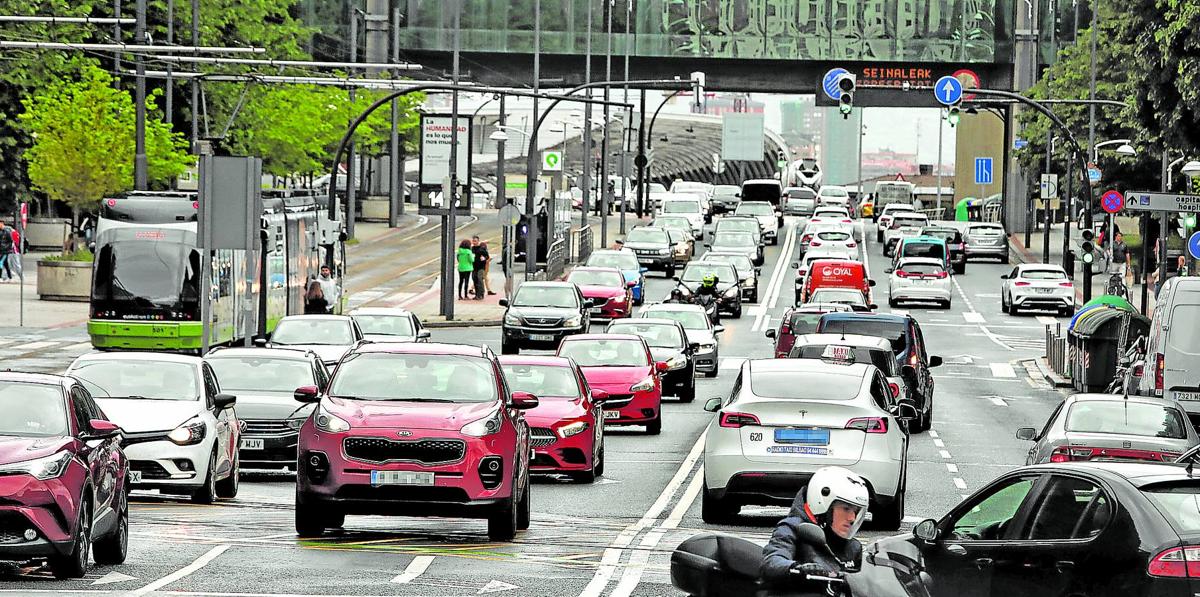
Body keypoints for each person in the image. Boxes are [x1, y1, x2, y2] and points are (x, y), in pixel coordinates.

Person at [760, 467, 868, 596]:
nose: (852, 518)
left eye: (856, 511)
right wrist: (797, 568)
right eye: (846, 509)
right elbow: (772, 561)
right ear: (822, 505)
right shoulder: (793, 529)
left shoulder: (853, 547)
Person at [471, 235, 489, 300]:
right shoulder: (472, 249)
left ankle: (481, 294)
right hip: (473, 267)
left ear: (478, 241)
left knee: (480, 279)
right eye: (473, 241)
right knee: (474, 279)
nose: (474, 242)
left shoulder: (481, 249)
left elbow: (487, 256)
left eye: (475, 241)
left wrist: (484, 258)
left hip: (481, 267)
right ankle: (477, 294)